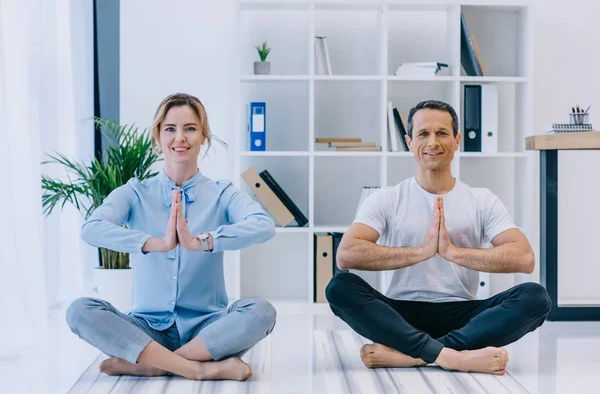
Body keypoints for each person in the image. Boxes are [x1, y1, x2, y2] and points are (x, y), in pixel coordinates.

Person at [325, 100, 551, 375]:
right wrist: (420, 252)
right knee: (339, 286)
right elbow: (346, 255)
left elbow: (524, 258)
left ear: (457, 140)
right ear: (409, 142)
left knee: (536, 297)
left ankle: (416, 356)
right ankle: (453, 357)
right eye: (423, 134)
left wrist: (454, 253)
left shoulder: (481, 200)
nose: (433, 142)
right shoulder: (386, 198)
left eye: (442, 133)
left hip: (464, 316)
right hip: (399, 316)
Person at [66, 93, 277, 381]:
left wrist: (202, 241)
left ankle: (153, 365)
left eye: (190, 128)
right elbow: (91, 227)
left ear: (203, 136)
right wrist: (155, 244)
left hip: (208, 329)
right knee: (79, 311)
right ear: (158, 136)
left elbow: (264, 225)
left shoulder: (221, 193)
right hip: (147, 328)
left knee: (262, 312)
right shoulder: (136, 191)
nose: (181, 137)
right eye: (170, 129)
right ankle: (197, 368)